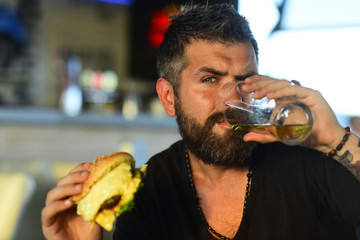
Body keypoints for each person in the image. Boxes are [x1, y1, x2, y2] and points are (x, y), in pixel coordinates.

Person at [41, 4, 360, 240]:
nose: (231, 99)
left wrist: (336, 140)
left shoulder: (310, 159)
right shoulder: (149, 191)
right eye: (209, 79)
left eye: (245, 80)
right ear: (168, 97)